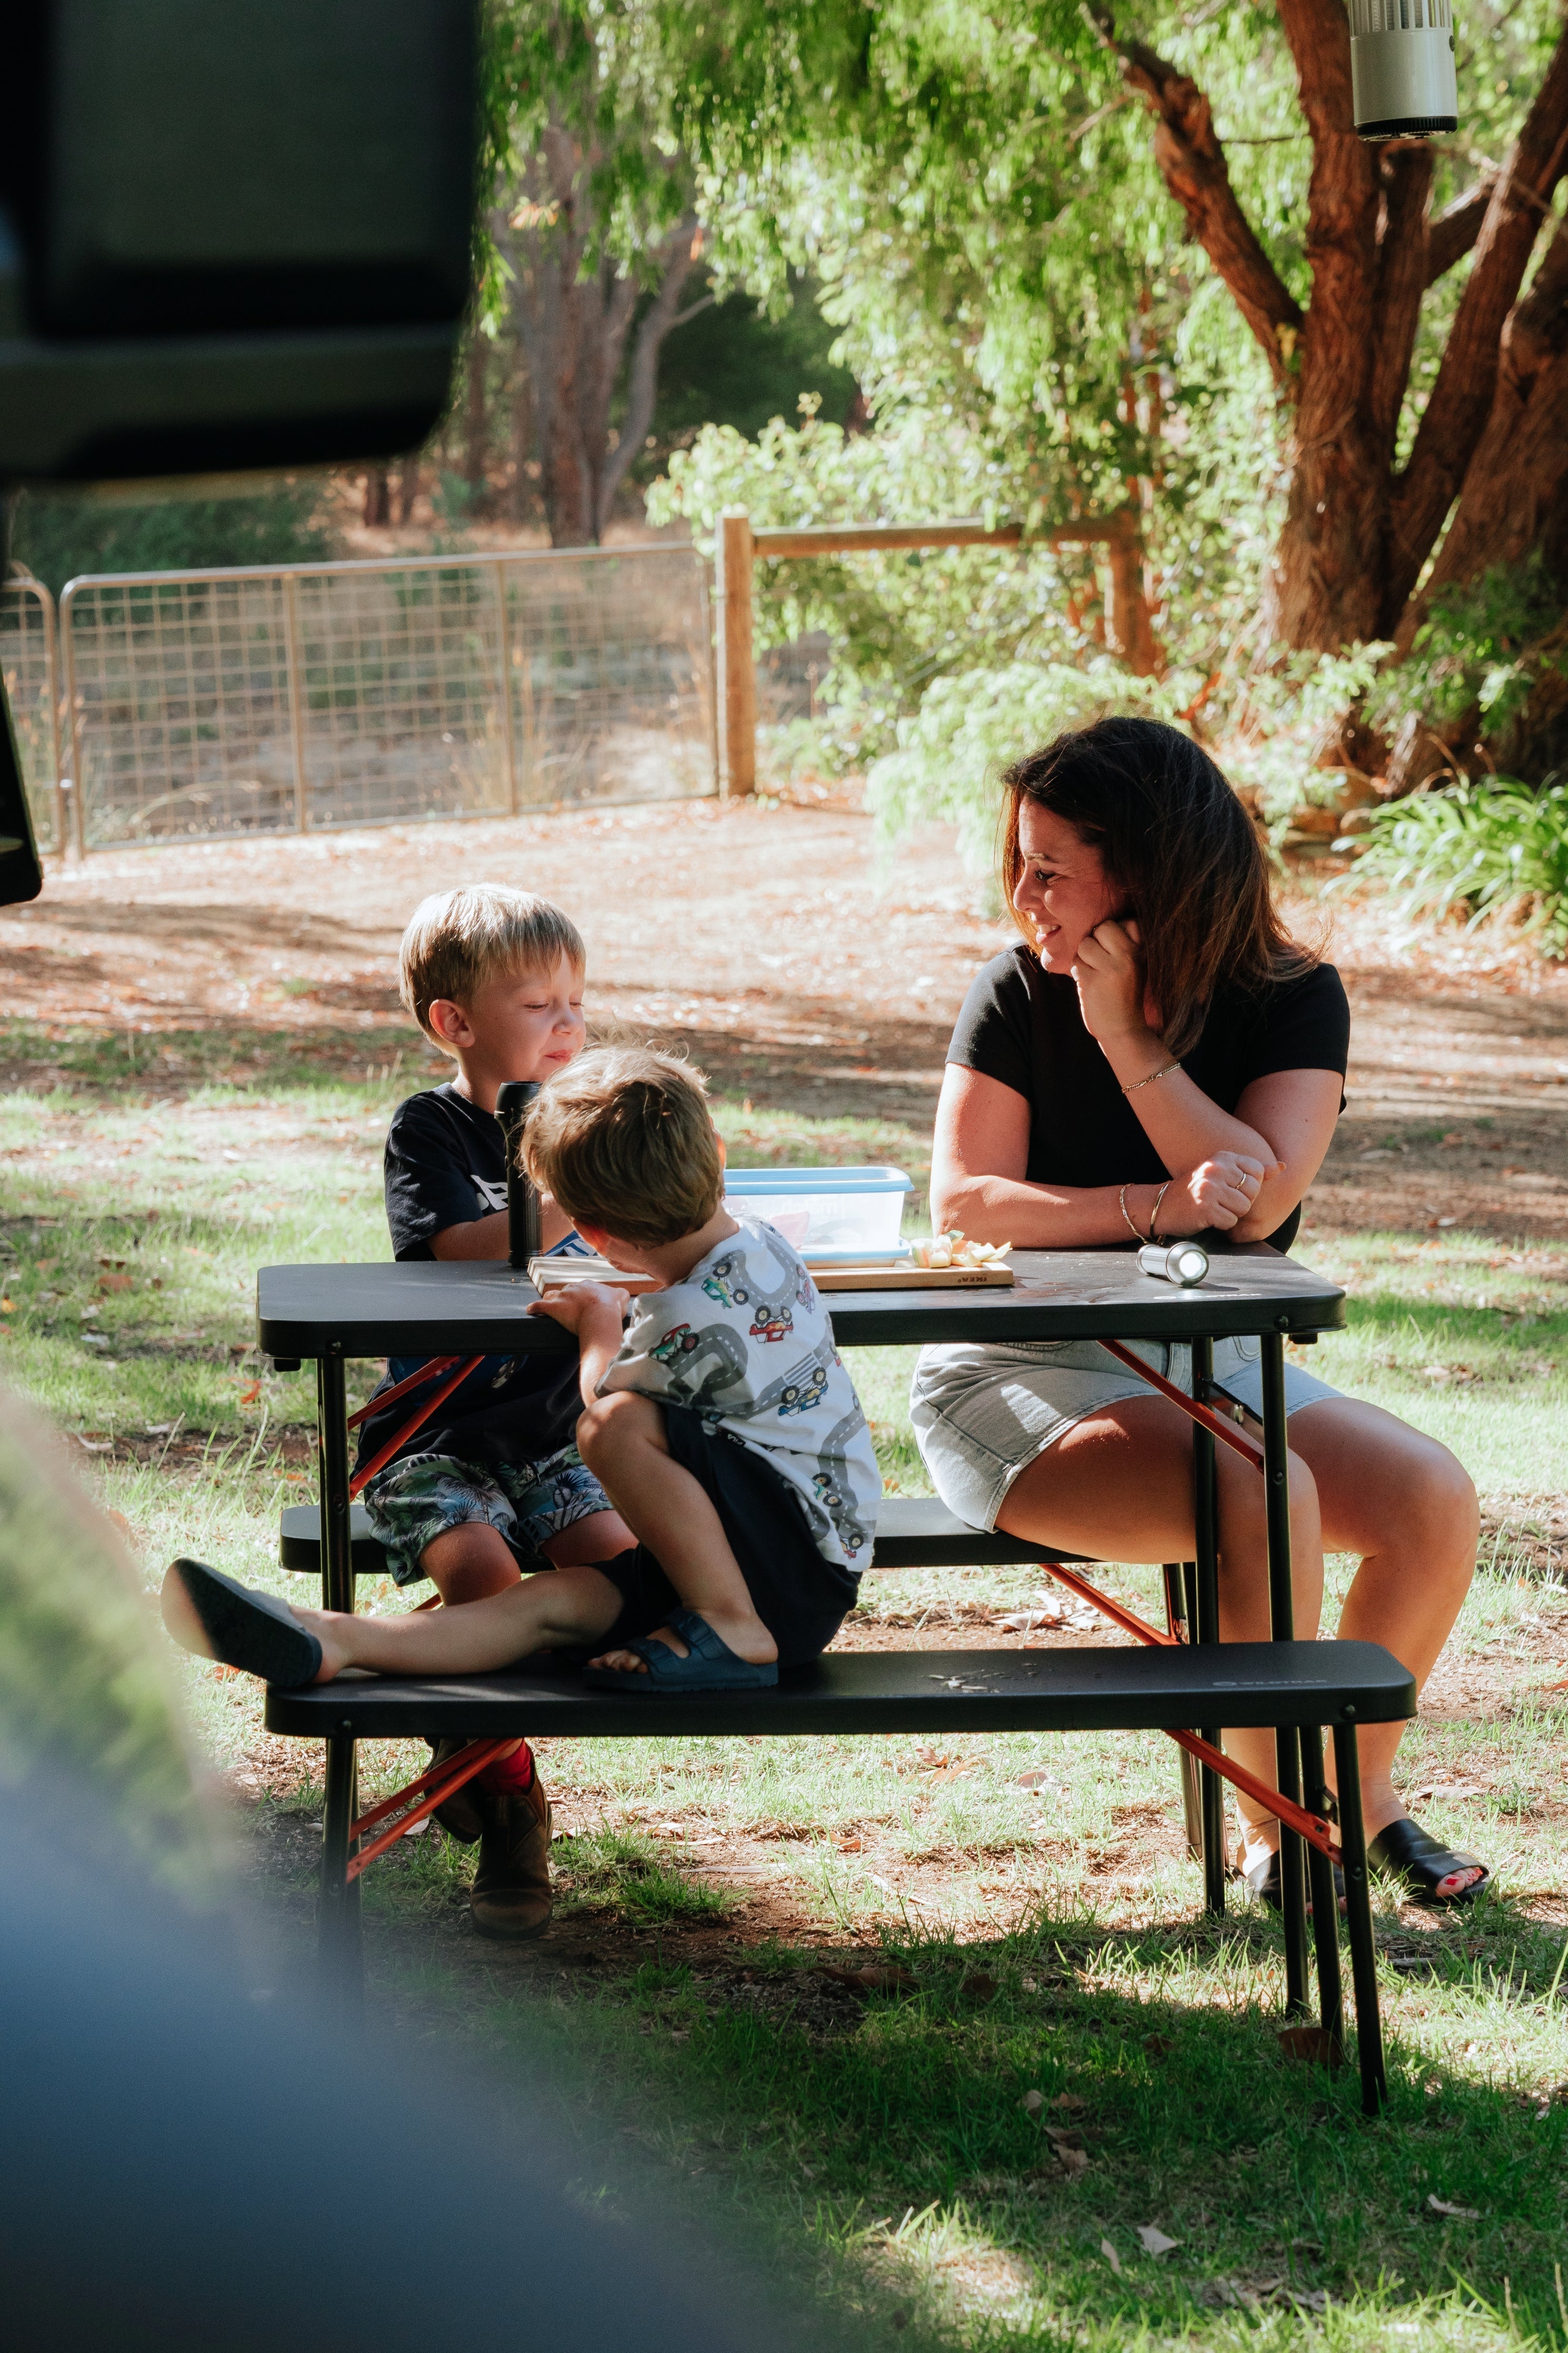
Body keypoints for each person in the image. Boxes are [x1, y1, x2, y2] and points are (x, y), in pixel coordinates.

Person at [912, 716, 1487, 1907]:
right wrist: (1149, 1203)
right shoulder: (1016, 992)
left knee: (1431, 1499)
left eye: (1052, 868)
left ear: (1147, 872)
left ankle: (1352, 1798)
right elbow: (965, 1202)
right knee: (1258, 1489)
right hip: (1024, 1376)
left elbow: (1256, 1204)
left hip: (1216, 1362)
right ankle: (1279, 1830)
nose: (1025, 896)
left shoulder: (1290, 998)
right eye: (1019, 865)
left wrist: (1128, 1040)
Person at [161, 1048, 880, 1701]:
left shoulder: (684, 1319)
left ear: (589, 1232)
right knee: (543, 1609)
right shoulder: (766, 1247)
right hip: (785, 1562)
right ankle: (331, 1639)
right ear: (717, 1157)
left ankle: (729, 1630)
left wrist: (601, 1324)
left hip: (772, 1579)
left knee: (611, 1427)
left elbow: (602, 1407)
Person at [355, 884, 634, 1938]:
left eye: (577, 1000)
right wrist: (583, 1194)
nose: (568, 1022)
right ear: (455, 1023)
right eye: (538, 1003)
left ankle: (426, 1684)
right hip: (437, 1432)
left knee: (619, 1586)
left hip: (551, 1432)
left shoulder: (587, 1121)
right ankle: (514, 1800)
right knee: (483, 1577)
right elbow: (454, 1247)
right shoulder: (428, 1130)